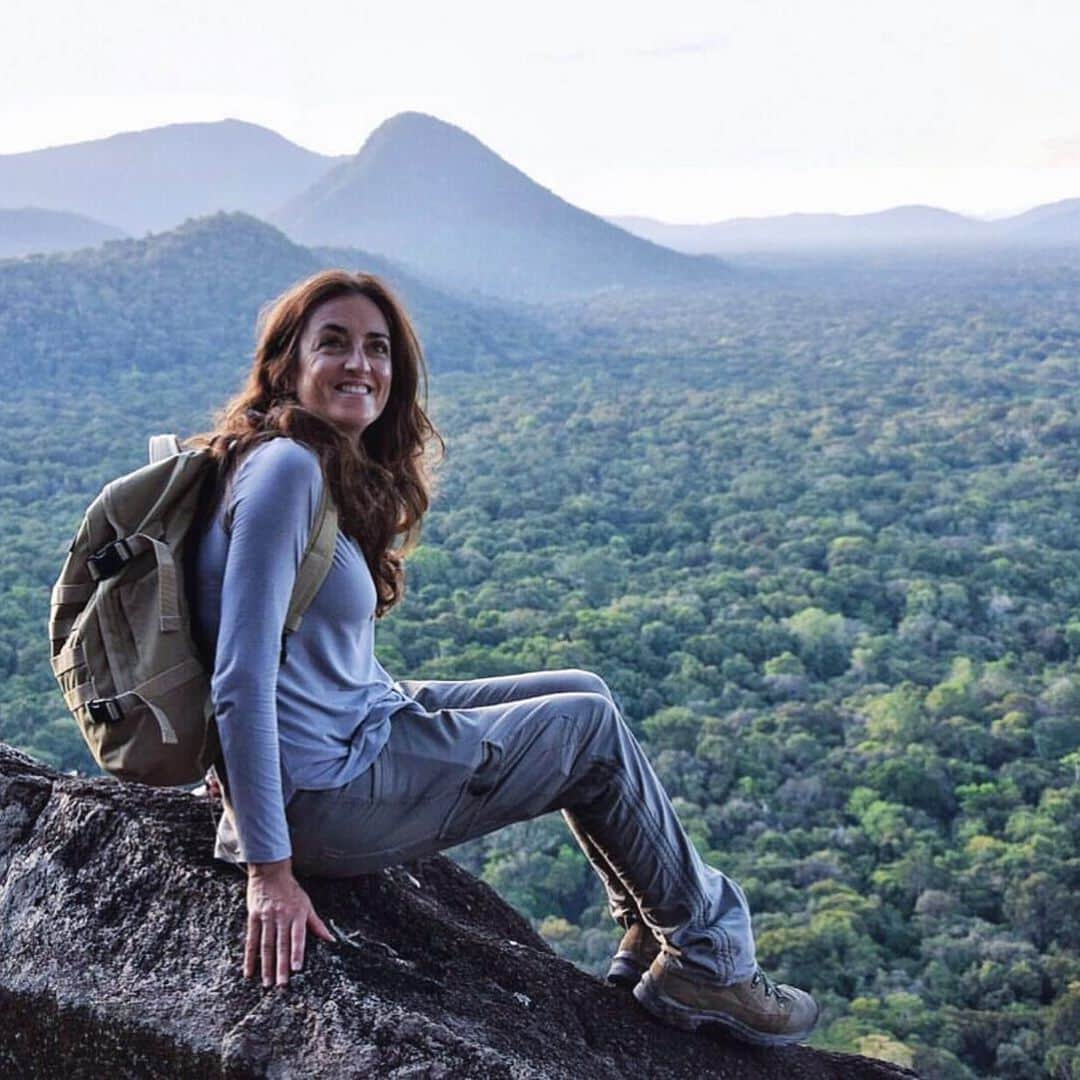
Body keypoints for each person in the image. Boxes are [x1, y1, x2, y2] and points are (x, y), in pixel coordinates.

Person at [189, 269, 819, 1047]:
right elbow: (239, 676)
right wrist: (268, 871)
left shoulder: (304, 460)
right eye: (335, 344)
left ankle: (656, 929)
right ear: (287, 363)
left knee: (586, 689)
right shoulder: (285, 469)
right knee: (584, 729)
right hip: (325, 789)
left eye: (378, 348)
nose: (361, 365)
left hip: (357, 722)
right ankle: (711, 960)